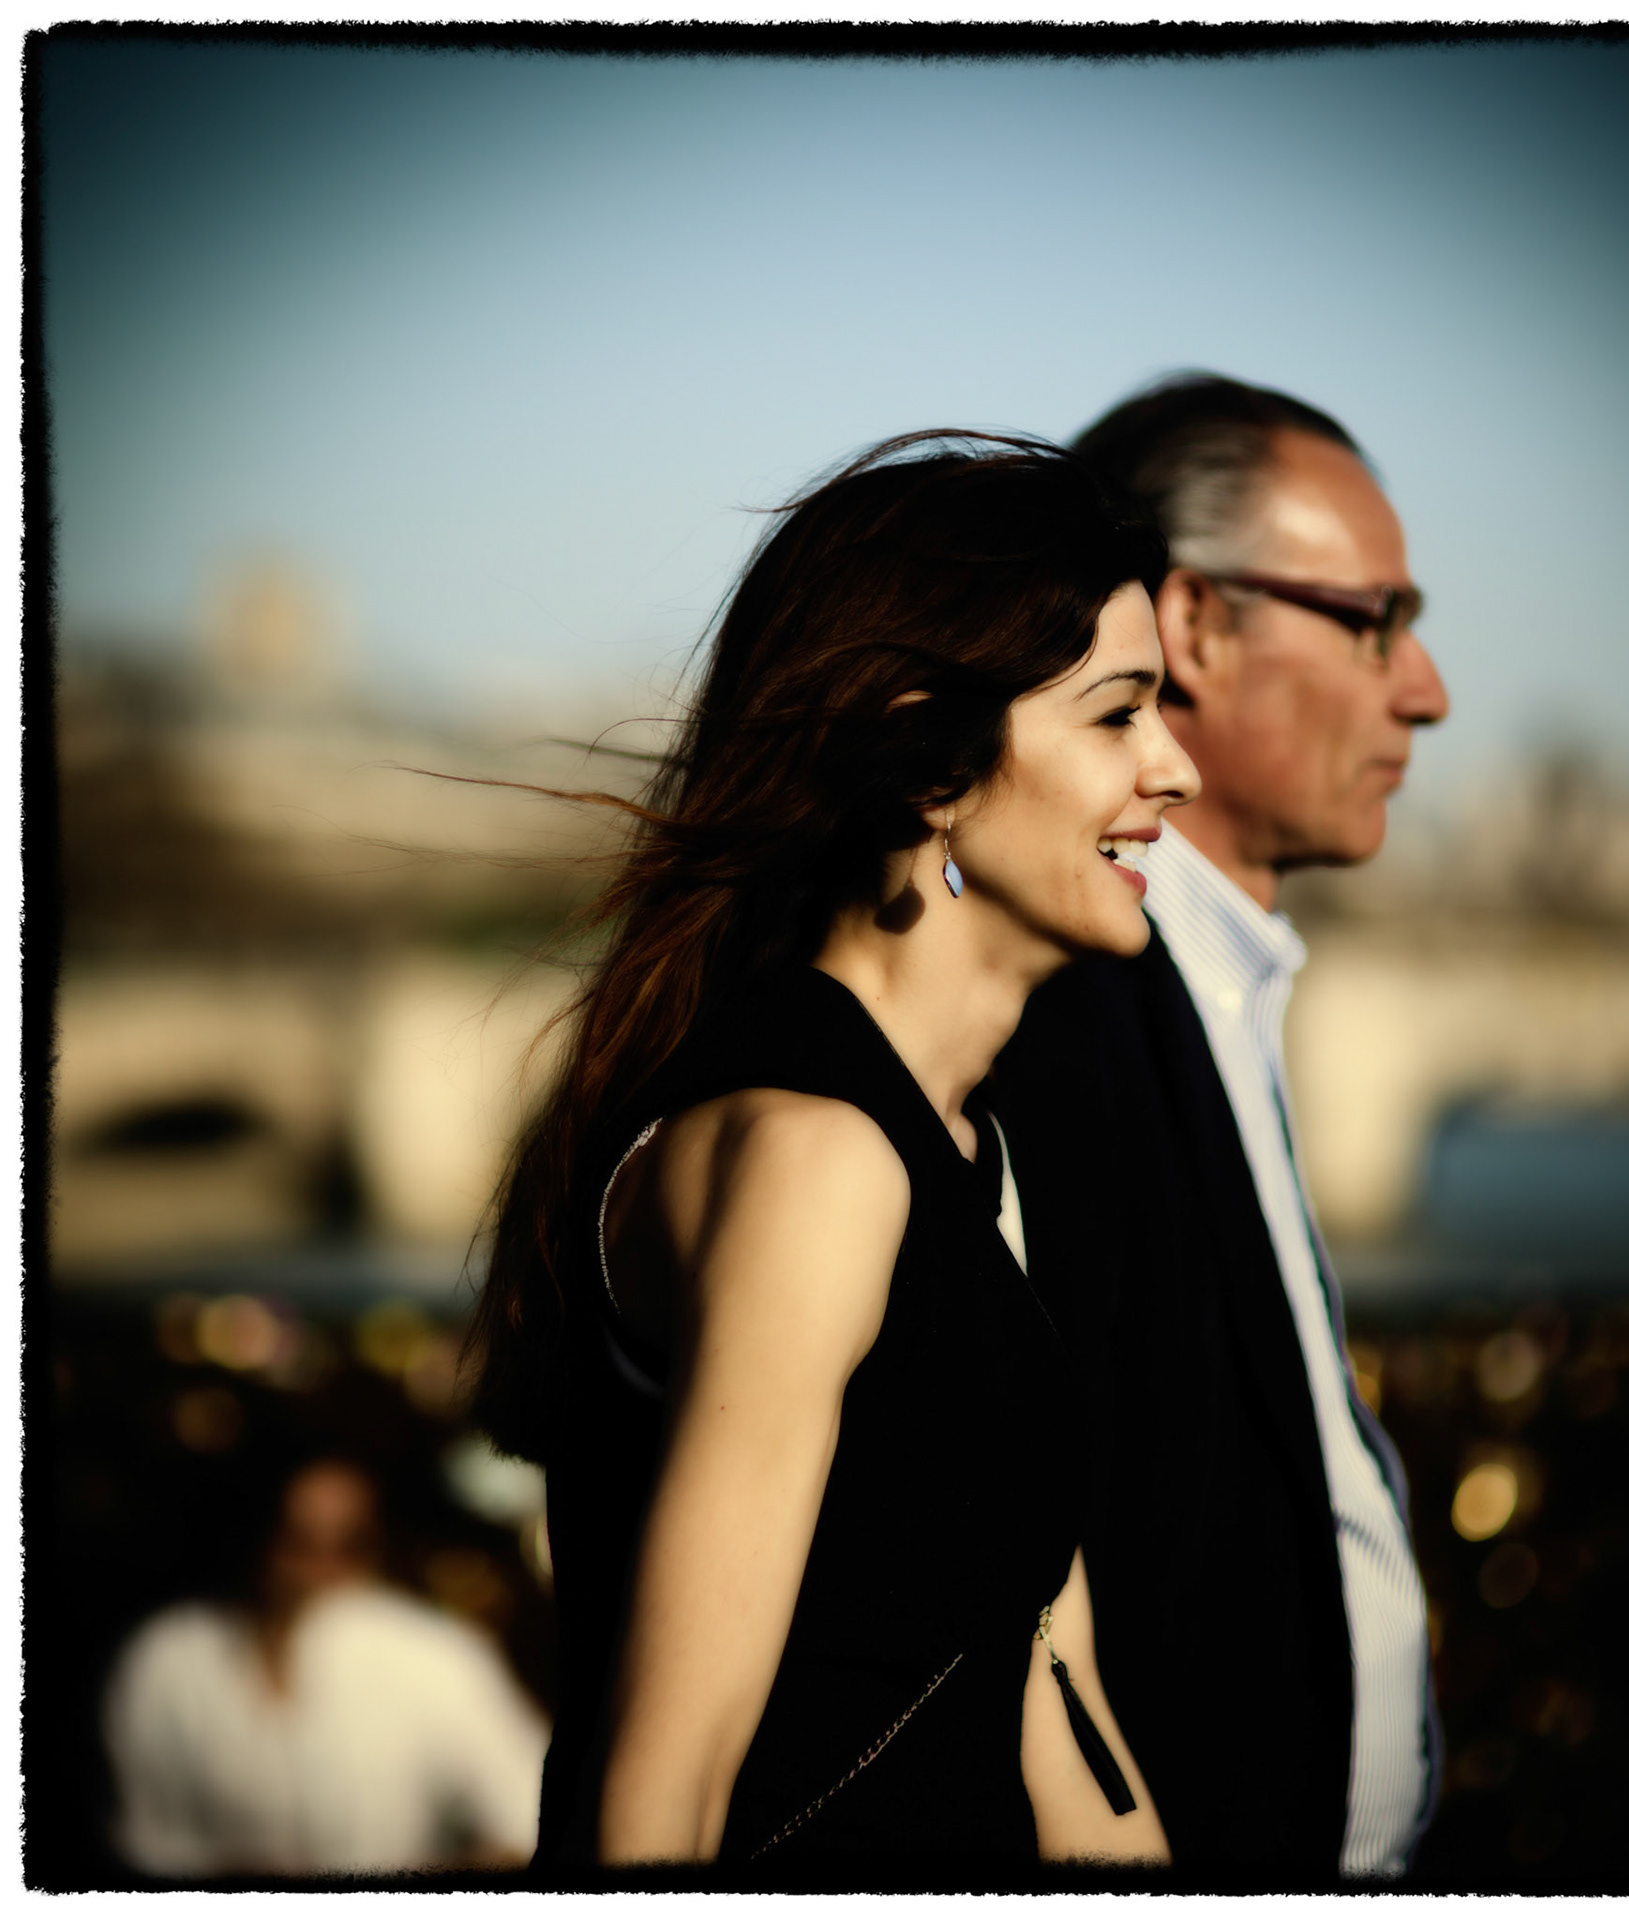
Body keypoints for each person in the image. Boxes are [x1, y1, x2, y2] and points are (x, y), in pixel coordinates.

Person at [464, 432, 1198, 1875]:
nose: (1173, 769)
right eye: (1119, 716)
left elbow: (1059, 1706)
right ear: (928, 762)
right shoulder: (817, 1163)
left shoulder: (962, 1152)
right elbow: (658, 1797)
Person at [993, 375, 1452, 1883]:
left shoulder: (1199, 989)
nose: (1426, 687)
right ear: (1193, 625)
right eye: (1374, 620)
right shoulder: (1064, 1015)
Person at [102, 1455, 548, 1878]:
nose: (320, 1568)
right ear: (257, 1540)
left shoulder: (435, 1655)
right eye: (298, 1541)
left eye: (349, 1544)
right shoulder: (168, 1658)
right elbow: (149, 1844)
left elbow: (533, 1820)